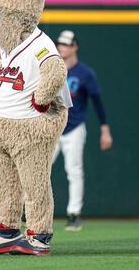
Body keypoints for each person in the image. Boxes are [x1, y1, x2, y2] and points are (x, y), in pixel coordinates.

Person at [53, 30, 113, 231]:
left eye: (66, 44)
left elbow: (98, 102)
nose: (62, 47)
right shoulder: (53, 69)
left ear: (75, 47)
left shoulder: (85, 73)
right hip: (52, 127)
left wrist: (105, 129)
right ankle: (33, 211)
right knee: (40, 170)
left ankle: (74, 213)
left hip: (75, 127)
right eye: (60, 44)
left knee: (74, 170)